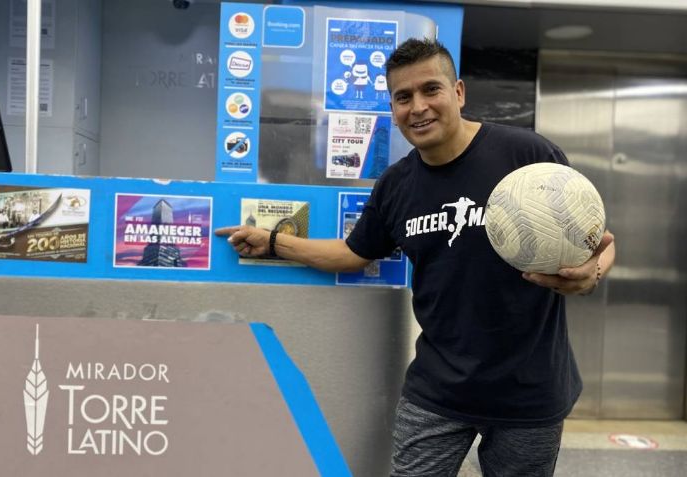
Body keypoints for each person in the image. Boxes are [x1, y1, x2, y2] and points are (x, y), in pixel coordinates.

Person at [215, 37, 616, 477]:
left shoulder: (528, 155)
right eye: (402, 97)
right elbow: (353, 253)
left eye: (431, 89)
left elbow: (598, 238)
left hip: (531, 389)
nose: (418, 106)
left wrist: (591, 272)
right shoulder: (397, 185)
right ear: (393, 108)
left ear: (458, 92)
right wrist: (274, 242)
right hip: (440, 388)